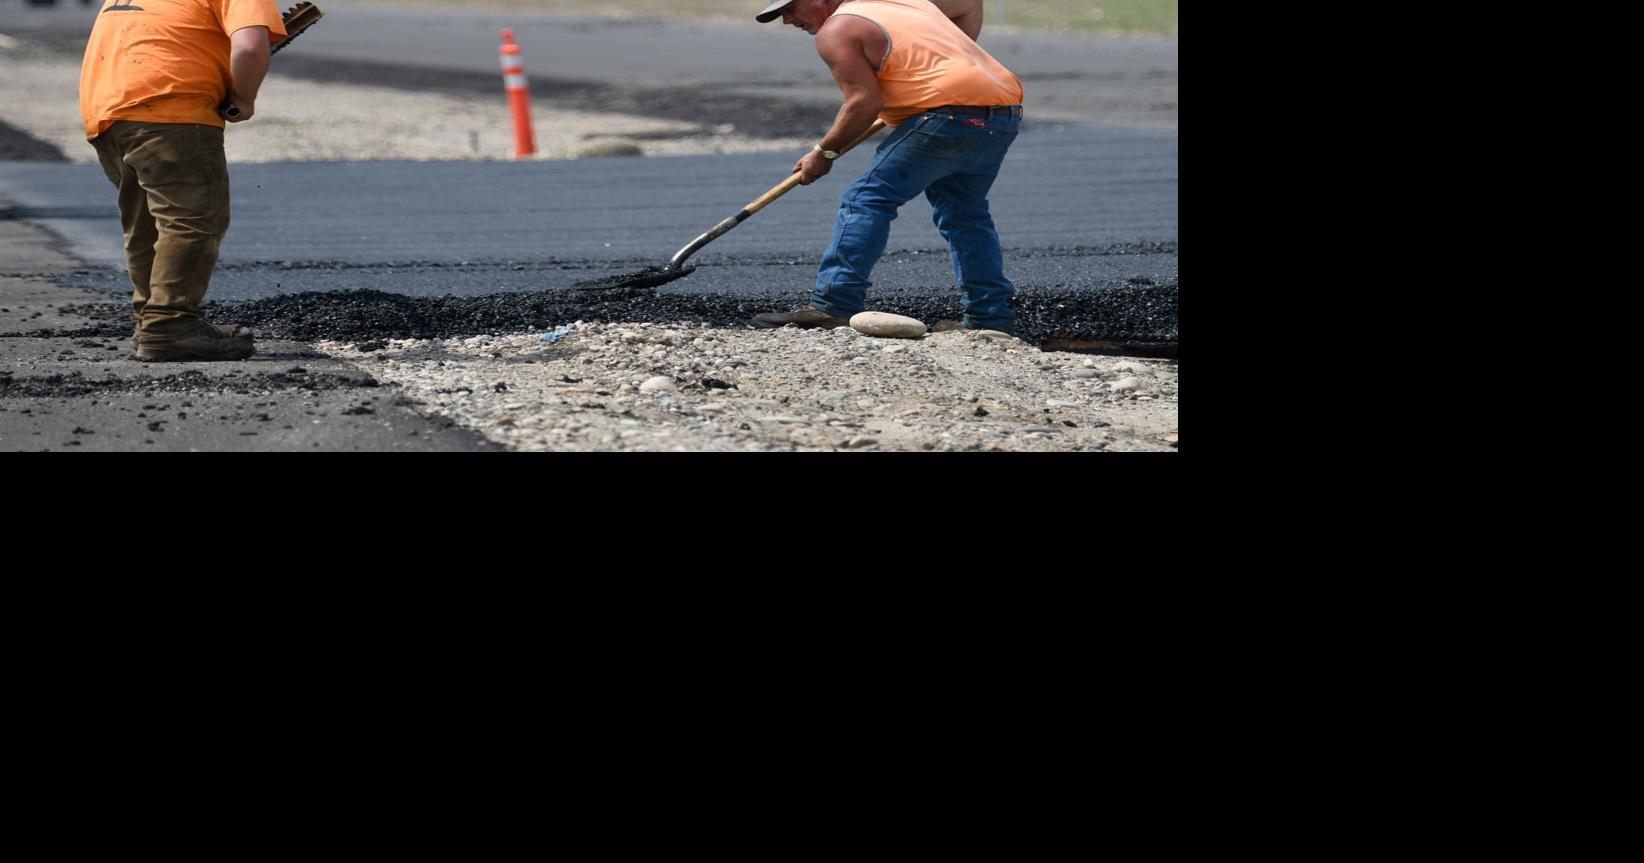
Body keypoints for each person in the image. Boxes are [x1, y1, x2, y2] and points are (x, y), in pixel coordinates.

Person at [750, 0, 1024, 334]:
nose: (787, 19)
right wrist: (953, 63)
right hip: (1002, 112)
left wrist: (824, 153)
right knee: (965, 215)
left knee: (866, 199)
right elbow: (969, 3)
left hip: (946, 115)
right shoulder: (899, 3)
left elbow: (863, 103)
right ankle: (990, 318)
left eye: (791, 8)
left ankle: (834, 303)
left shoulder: (836, 28)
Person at [79, 0, 287, 361]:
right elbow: (251, 47)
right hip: (170, 107)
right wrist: (243, 99)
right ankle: (169, 327)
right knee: (191, 220)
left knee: (148, 224)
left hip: (109, 112)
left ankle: (152, 320)